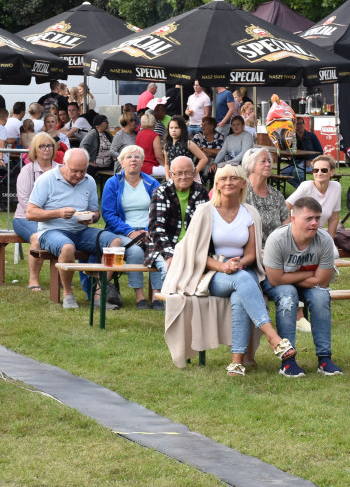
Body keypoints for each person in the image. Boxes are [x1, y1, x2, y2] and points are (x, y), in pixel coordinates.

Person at [166, 164, 297, 377]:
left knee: (240, 291)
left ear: (243, 184)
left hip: (242, 269)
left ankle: (237, 362)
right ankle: (274, 339)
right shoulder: (205, 212)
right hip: (212, 273)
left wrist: (240, 264)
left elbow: (252, 252)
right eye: (223, 178)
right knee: (243, 281)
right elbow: (194, 252)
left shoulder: (250, 212)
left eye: (234, 179)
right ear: (216, 184)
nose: (228, 182)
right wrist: (222, 266)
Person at [26, 148, 122, 309]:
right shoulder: (47, 179)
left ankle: (99, 294)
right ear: (64, 164)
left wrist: (92, 217)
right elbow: (30, 213)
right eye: (74, 171)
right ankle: (68, 294)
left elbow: (96, 212)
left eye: (82, 171)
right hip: (51, 231)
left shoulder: (89, 181)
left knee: (116, 243)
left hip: (81, 230)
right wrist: (58, 213)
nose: (79, 175)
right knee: (67, 247)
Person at [262, 197, 343, 377]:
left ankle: (324, 359)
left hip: (302, 283)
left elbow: (322, 281)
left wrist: (288, 277)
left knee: (321, 296)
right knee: (288, 295)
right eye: (308, 218)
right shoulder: (277, 239)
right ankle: (287, 361)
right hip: (276, 284)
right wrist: (310, 275)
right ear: (293, 219)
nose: (315, 223)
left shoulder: (324, 240)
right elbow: (275, 280)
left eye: (317, 218)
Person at [101, 145, 162, 309]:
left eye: (137, 157)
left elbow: (159, 211)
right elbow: (108, 214)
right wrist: (130, 231)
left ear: (143, 161)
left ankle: (157, 296)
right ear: (121, 161)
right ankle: (139, 296)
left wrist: (149, 231)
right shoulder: (113, 183)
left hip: (148, 231)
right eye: (129, 157)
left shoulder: (152, 183)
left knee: (156, 248)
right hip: (121, 231)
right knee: (135, 252)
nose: (133, 160)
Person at [146, 155, 207, 289]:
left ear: (194, 172)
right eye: (179, 173)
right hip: (163, 247)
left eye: (187, 172)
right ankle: (172, 309)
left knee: (203, 275)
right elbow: (156, 228)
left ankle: (189, 308)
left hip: (192, 248)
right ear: (171, 175)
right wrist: (169, 255)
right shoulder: (161, 192)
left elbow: (205, 225)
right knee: (172, 271)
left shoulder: (201, 191)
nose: (183, 176)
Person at [14, 133, 58, 291]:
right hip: (26, 218)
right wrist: (46, 216)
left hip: (54, 218)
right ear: (34, 150)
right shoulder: (27, 171)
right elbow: (24, 201)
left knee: (66, 235)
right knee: (38, 238)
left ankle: (60, 275)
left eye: (49, 145)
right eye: (42, 146)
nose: (46, 149)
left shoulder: (61, 170)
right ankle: (33, 279)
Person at [286, 155, 340, 236]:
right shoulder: (306, 186)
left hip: (318, 234)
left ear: (332, 172)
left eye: (324, 170)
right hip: (299, 234)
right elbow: (286, 207)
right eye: (315, 170)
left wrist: (331, 241)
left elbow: (334, 217)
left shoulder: (336, 187)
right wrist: (290, 233)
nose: (319, 173)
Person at [242, 147, 289, 238]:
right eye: (263, 161)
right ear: (250, 166)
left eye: (269, 161)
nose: (268, 164)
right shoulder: (240, 192)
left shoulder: (276, 195)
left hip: (275, 248)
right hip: (248, 248)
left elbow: (286, 227)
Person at [163, 116, 208, 180]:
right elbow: (167, 164)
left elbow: (204, 158)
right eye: (171, 128)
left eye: (176, 128)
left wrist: (194, 172)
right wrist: (168, 178)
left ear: (182, 129)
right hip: (173, 177)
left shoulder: (188, 143)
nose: (173, 130)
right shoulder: (167, 145)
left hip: (187, 178)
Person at [80, 113, 115, 178]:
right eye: (106, 121)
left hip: (108, 164)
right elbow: (83, 146)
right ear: (97, 124)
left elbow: (115, 145)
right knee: (89, 170)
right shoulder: (93, 133)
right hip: (95, 165)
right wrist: (88, 161)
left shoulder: (107, 134)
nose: (108, 123)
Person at [136, 110, 165, 176]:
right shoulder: (155, 135)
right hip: (150, 167)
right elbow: (159, 156)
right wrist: (165, 166)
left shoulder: (138, 134)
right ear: (154, 123)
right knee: (172, 171)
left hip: (139, 166)